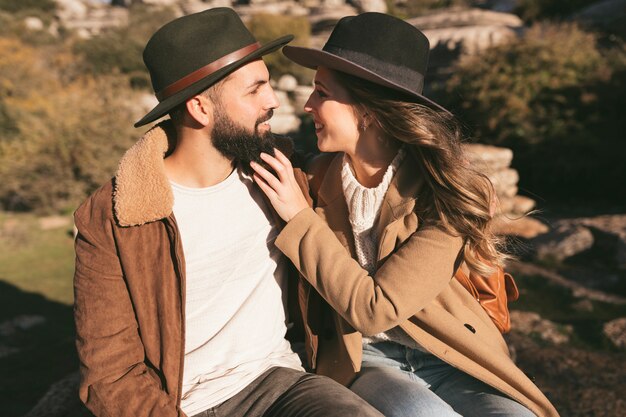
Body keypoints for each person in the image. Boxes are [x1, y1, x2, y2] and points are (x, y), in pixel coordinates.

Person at [73, 8, 383, 417]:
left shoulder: (280, 171)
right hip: (181, 404)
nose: (272, 101)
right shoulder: (115, 216)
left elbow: (375, 175)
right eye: (255, 90)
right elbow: (110, 373)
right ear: (201, 108)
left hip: (284, 385)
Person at [250, 12, 560, 417]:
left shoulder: (445, 195)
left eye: (322, 93)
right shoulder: (308, 179)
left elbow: (375, 306)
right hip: (368, 358)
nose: (308, 105)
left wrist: (300, 220)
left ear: (369, 111)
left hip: (450, 353)